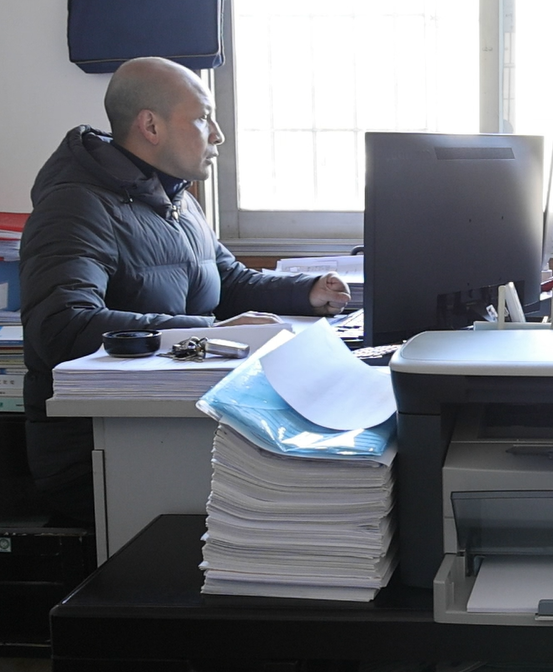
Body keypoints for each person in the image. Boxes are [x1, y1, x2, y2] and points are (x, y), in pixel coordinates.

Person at [20, 57, 353, 524]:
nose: (217, 135)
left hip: (172, 418)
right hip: (99, 446)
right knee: (312, 490)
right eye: (202, 118)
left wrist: (307, 292)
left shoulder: (174, 197)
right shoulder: (76, 204)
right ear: (150, 126)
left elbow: (227, 282)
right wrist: (209, 334)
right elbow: (61, 326)